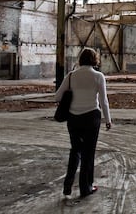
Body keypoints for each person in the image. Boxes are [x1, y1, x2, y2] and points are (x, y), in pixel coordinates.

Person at [55, 48, 112, 198]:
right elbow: (103, 101)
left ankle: (67, 186)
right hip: (92, 117)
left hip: (73, 118)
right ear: (95, 60)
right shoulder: (98, 76)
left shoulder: (71, 75)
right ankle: (85, 188)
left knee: (75, 150)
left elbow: (57, 96)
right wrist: (108, 120)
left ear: (80, 59)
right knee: (88, 153)